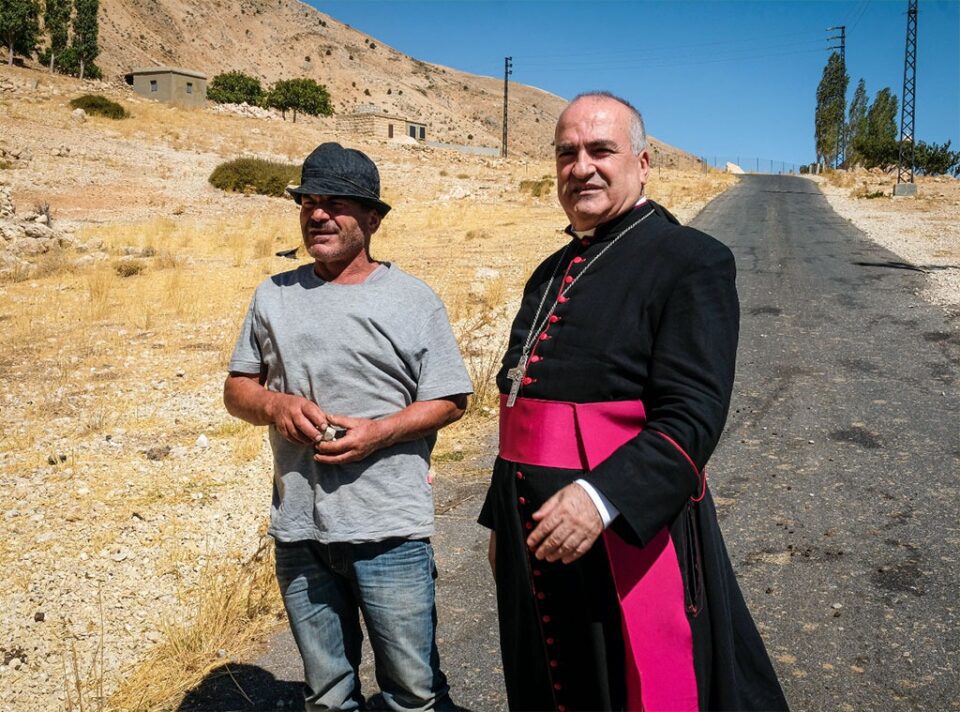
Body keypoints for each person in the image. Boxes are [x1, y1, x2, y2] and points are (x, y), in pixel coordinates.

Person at [479, 93, 788, 711]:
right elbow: (521, 405)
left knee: (625, 687)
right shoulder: (550, 269)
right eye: (567, 153)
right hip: (530, 530)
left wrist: (602, 499)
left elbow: (694, 414)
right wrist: (498, 517)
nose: (581, 166)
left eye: (601, 150)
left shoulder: (692, 261)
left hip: (624, 535)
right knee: (547, 682)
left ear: (643, 163)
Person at [224, 142, 473, 711]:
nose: (317, 215)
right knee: (328, 695)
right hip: (300, 529)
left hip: (389, 529)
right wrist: (276, 406)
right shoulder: (273, 295)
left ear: (373, 219)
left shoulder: (413, 300)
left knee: (412, 690)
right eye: (308, 202)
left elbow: (451, 398)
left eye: (335, 203)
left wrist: (379, 432)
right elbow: (237, 391)